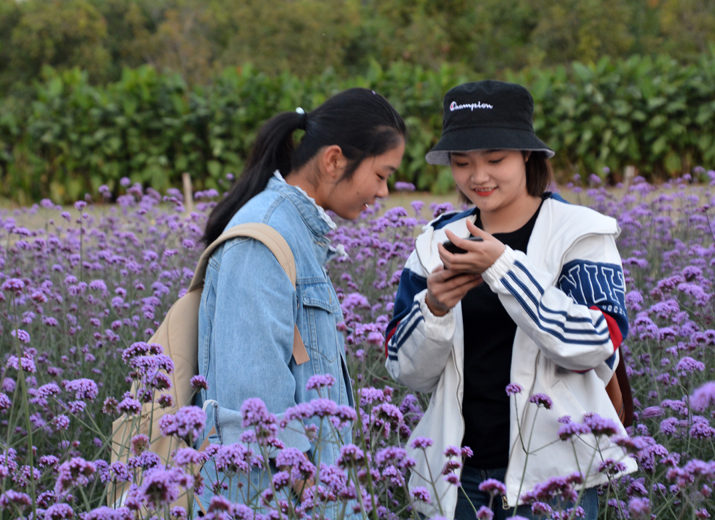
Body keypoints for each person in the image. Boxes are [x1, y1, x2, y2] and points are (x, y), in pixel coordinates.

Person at [384, 80, 637, 520]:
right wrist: (436, 310)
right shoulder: (435, 242)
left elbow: (596, 342)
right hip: (456, 477)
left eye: (495, 159)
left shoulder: (579, 233)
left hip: (556, 478)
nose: (477, 177)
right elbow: (406, 370)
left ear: (527, 155)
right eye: (462, 163)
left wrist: (504, 268)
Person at [196, 88, 407, 511]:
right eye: (381, 175)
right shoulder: (265, 235)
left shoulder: (294, 230)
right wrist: (311, 490)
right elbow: (251, 399)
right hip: (272, 500)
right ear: (334, 161)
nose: (384, 192)